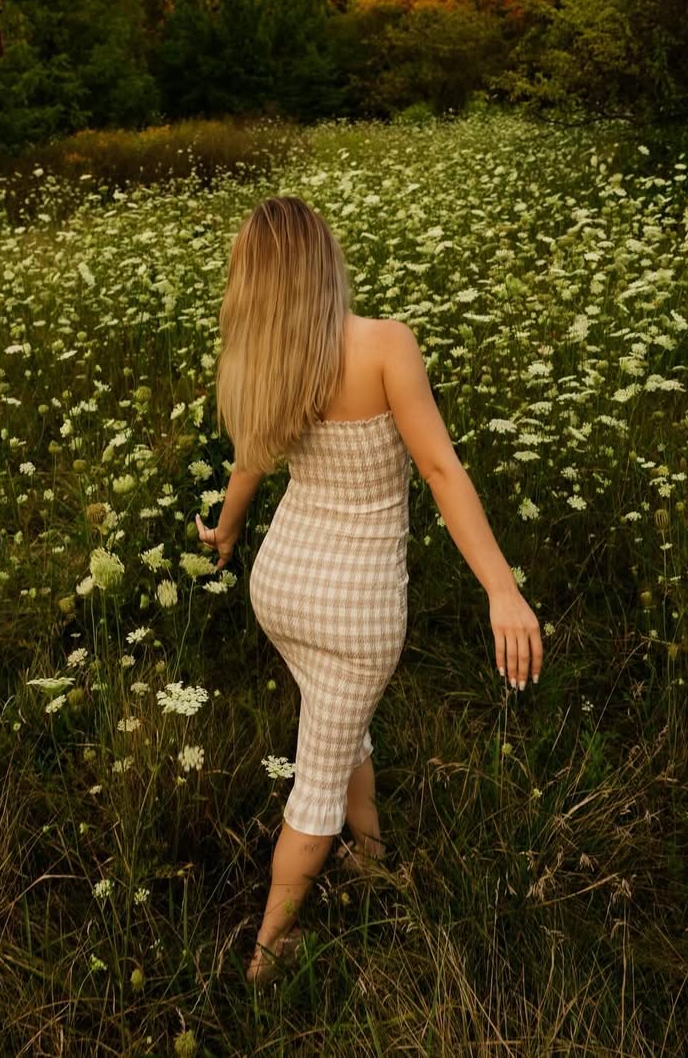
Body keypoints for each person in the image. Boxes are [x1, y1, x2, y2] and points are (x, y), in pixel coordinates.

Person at [194, 195, 543, 987]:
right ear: (324, 259)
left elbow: (249, 461)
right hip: (354, 607)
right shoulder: (384, 344)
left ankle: (374, 855)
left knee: (337, 720)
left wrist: (225, 532)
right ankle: (267, 955)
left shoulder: (265, 362)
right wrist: (502, 588)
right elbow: (441, 469)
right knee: (314, 786)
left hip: (281, 588)